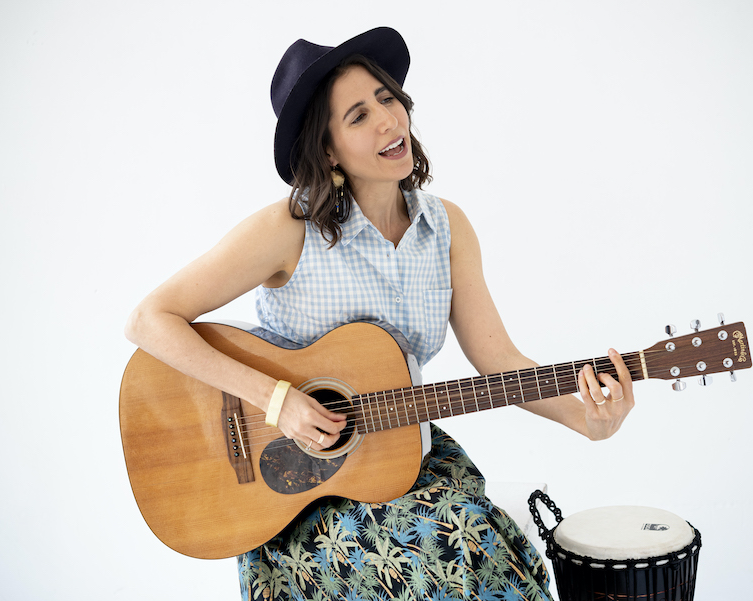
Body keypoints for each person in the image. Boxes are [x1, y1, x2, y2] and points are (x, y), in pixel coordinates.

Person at [125, 26, 635, 601]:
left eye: (387, 98)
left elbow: (499, 363)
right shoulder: (287, 230)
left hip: (401, 461)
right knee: (459, 547)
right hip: (300, 499)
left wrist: (584, 420)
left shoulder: (446, 228)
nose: (389, 121)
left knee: (482, 547)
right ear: (327, 150)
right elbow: (149, 319)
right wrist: (277, 399)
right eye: (358, 116)